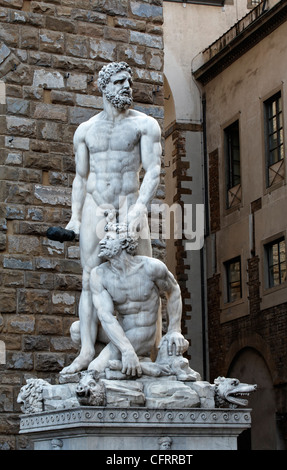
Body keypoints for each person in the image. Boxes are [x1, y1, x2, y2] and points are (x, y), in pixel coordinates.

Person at [61, 62, 162, 374]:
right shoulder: (86, 130)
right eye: (118, 81)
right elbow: (80, 177)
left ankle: (149, 351)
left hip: (129, 203)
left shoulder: (144, 125)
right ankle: (87, 350)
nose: (126, 86)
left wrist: (138, 210)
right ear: (103, 87)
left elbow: (153, 170)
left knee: (146, 276)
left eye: (128, 81)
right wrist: (75, 218)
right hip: (96, 206)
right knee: (90, 277)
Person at [87, 228, 188, 377]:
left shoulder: (151, 267)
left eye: (108, 238)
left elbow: (173, 291)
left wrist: (174, 330)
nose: (102, 242)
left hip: (142, 332)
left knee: (95, 368)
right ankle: (140, 365)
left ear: (124, 242)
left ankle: (127, 362)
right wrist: (127, 350)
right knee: (77, 330)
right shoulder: (99, 274)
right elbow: (106, 316)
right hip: (121, 329)